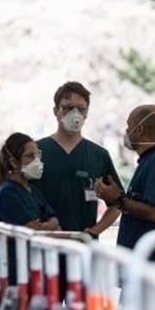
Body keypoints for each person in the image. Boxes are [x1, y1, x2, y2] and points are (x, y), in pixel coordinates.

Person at [95, 105, 155, 273]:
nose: (126, 132)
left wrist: (118, 200)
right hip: (141, 267)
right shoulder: (148, 162)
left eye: (129, 127)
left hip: (152, 268)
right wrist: (114, 197)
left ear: (139, 128)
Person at [34, 81, 123, 237]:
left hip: (83, 248)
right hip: (43, 246)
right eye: (68, 108)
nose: (75, 114)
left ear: (87, 113)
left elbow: (118, 203)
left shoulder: (99, 155)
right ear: (56, 111)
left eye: (81, 109)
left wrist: (94, 232)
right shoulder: (35, 151)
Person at [0, 133, 59, 286]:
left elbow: (55, 221)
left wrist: (46, 226)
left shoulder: (33, 190)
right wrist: (47, 226)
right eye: (29, 156)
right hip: (17, 274)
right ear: (14, 162)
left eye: (37, 155)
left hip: (35, 270)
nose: (36, 161)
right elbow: (29, 230)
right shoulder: (8, 193)